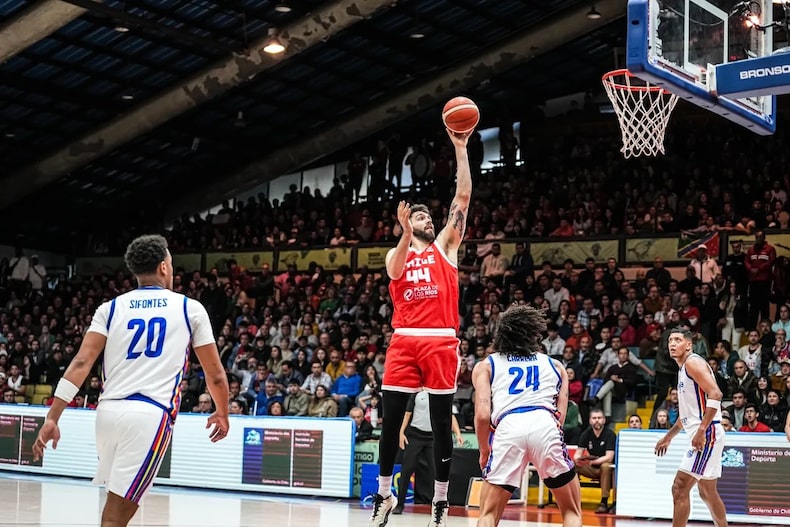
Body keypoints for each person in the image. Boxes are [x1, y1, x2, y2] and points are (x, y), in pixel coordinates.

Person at [32, 235, 230, 527]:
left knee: (116, 507)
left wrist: (52, 416)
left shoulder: (110, 308)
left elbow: (81, 363)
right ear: (164, 267)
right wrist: (222, 411)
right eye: (172, 264)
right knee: (117, 516)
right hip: (149, 416)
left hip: (108, 414)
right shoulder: (190, 308)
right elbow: (214, 373)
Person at [369, 129, 472, 527]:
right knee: (390, 421)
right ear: (407, 224)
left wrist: (461, 149)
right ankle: (384, 494)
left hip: (441, 341)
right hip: (403, 342)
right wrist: (404, 234)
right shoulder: (396, 255)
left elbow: (461, 199)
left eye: (428, 216)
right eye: (419, 216)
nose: (427, 219)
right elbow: (394, 269)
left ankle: (441, 502)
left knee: (444, 422)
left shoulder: (446, 248)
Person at [472, 305, 582, 527]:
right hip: (545, 423)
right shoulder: (556, 365)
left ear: (501, 333)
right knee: (572, 512)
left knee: (488, 515)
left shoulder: (487, 365)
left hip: (509, 426)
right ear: (534, 334)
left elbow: (483, 416)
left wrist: (485, 450)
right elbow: (560, 417)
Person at [654, 327, 727, 527]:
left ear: (689, 344)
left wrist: (701, 431)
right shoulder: (683, 368)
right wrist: (668, 436)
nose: (672, 344)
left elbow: (716, 394)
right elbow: (686, 416)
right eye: (670, 340)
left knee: (679, 488)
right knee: (707, 492)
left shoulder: (693, 363)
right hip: (707, 432)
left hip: (707, 433)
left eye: (677, 340)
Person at [393, 390, 464, 514]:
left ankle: (438, 505)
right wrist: (401, 432)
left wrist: (457, 433)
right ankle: (400, 504)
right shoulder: (415, 393)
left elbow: (450, 415)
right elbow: (407, 413)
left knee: (436, 472)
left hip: (433, 437)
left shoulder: (439, 394)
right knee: (407, 470)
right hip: (415, 435)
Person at [574, 409, 616, 513]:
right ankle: (573, 499)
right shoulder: (586, 434)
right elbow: (577, 454)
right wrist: (578, 459)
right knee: (572, 465)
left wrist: (594, 462)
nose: (597, 420)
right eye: (594, 418)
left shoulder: (610, 434)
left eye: (599, 418)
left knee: (605, 466)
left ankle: (604, 502)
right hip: (592, 468)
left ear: (604, 420)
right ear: (590, 421)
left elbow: (609, 457)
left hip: (608, 471)